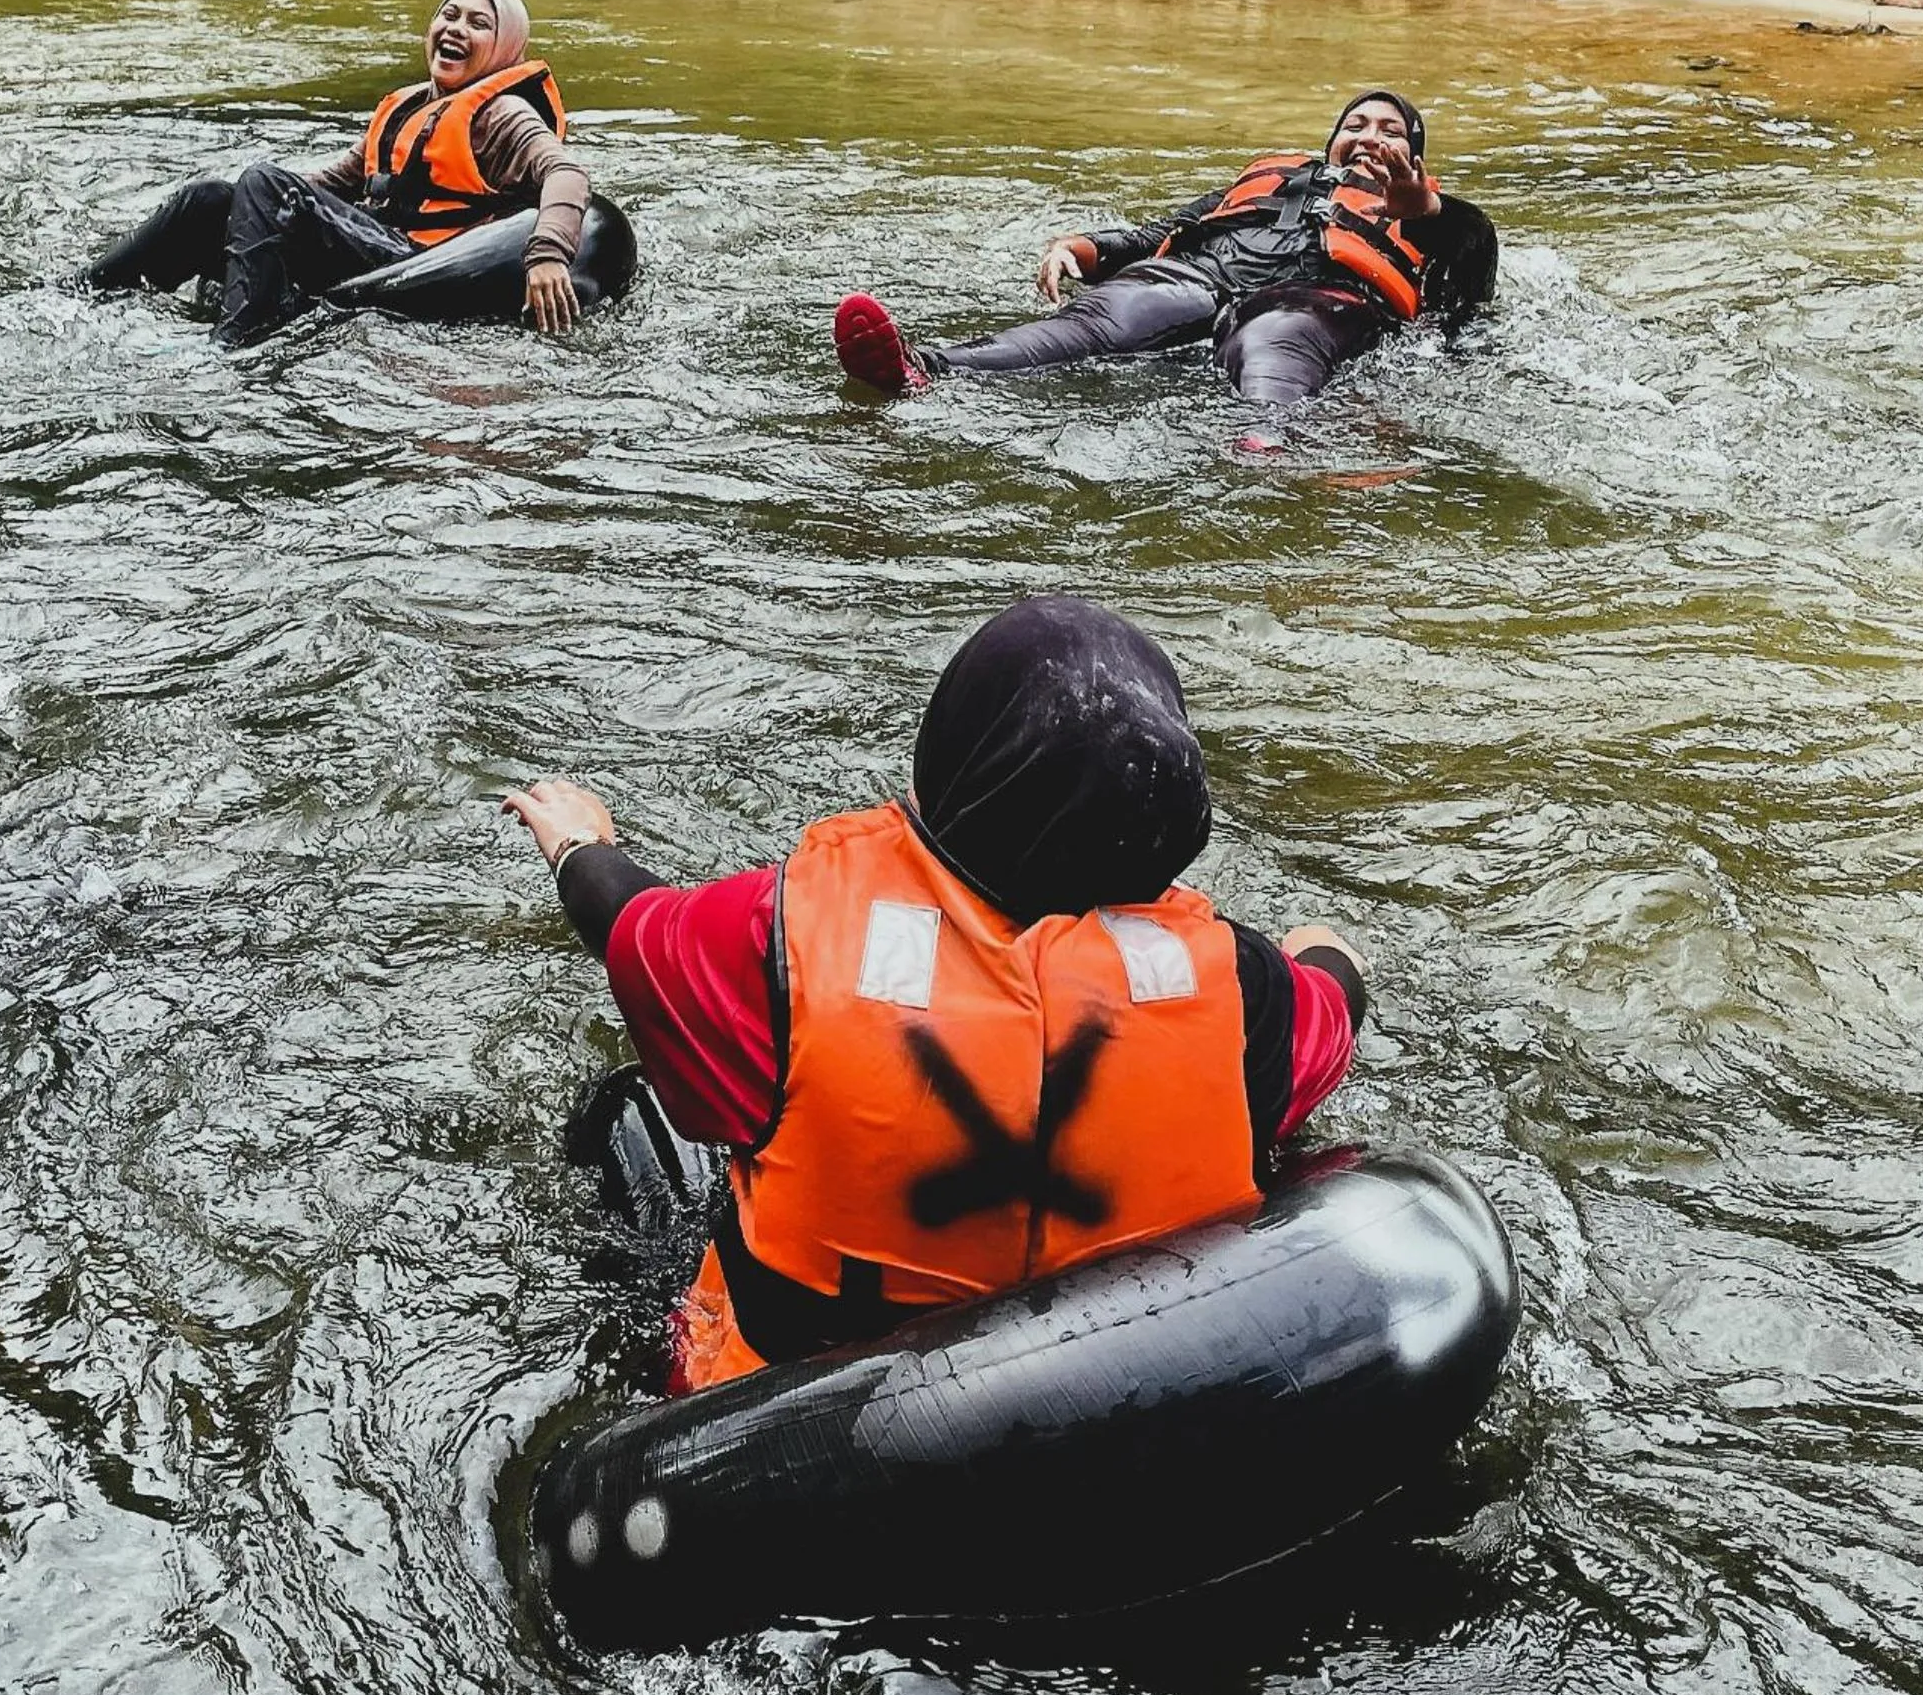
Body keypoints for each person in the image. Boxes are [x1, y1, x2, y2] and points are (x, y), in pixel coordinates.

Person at [504, 597, 1368, 1396]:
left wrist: (580, 845)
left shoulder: (780, 941)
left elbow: (630, 926)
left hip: (806, 1422)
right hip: (1140, 1392)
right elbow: (1333, 1005)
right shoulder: (1243, 988)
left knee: (627, 1110)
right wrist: (1323, 947)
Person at [833, 91, 1497, 408]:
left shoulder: (1434, 213)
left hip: (1317, 298)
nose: (1368, 134)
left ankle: (1266, 436)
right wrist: (1086, 248)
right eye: (1355, 123)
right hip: (1198, 276)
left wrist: (1426, 213)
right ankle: (923, 368)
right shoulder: (1266, 176)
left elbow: (1475, 271)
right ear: (1330, 140)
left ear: (1415, 155)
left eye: (1389, 129)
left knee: (1274, 341)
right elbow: (1166, 231)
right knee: (1101, 320)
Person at [83, 0, 589, 348]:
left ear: (504, 49)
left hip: (420, 265)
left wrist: (546, 254)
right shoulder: (408, 105)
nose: (457, 29)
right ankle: (83, 292)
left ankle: (238, 343)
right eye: (449, 16)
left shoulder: (502, 113)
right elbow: (335, 181)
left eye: (480, 24)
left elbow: (566, 174)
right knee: (211, 197)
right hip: (371, 243)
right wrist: (243, 206)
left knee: (262, 181)